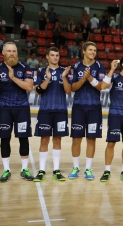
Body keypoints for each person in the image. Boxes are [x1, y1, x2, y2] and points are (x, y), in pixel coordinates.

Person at [67, 41, 106, 180]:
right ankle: (75, 167)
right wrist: (83, 79)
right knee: (76, 139)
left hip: (94, 107)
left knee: (91, 139)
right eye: (90, 50)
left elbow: (101, 86)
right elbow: (72, 88)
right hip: (78, 107)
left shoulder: (100, 66)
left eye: (95, 50)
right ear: (83, 51)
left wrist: (89, 78)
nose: (93, 52)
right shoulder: (76, 66)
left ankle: (88, 169)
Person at [32, 47, 71, 182]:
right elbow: (37, 91)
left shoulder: (64, 71)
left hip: (60, 111)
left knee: (57, 140)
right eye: (52, 55)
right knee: (44, 140)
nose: (55, 57)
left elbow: (68, 91)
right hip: (45, 110)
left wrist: (64, 77)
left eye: (57, 55)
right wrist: (47, 79)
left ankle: (56, 170)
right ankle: (41, 170)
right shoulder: (41, 71)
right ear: (47, 57)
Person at [0, 42, 34, 182]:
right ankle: (6, 170)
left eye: (14, 51)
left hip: (22, 109)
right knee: (5, 139)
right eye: (9, 51)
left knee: (23, 139)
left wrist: (13, 78)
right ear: (3, 53)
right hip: (3, 109)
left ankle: (24, 169)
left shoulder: (25, 67)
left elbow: (29, 87)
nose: (12, 53)